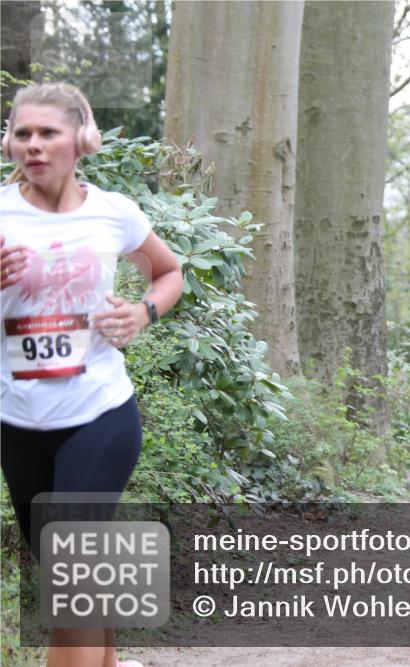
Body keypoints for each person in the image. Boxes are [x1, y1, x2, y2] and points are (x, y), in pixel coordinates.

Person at [0, 83, 182, 667]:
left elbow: (168, 270)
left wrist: (143, 310)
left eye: (47, 132)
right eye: (22, 133)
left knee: (71, 584)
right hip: (17, 420)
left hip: (100, 413)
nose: (33, 145)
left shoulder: (113, 212)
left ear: (80, 139)